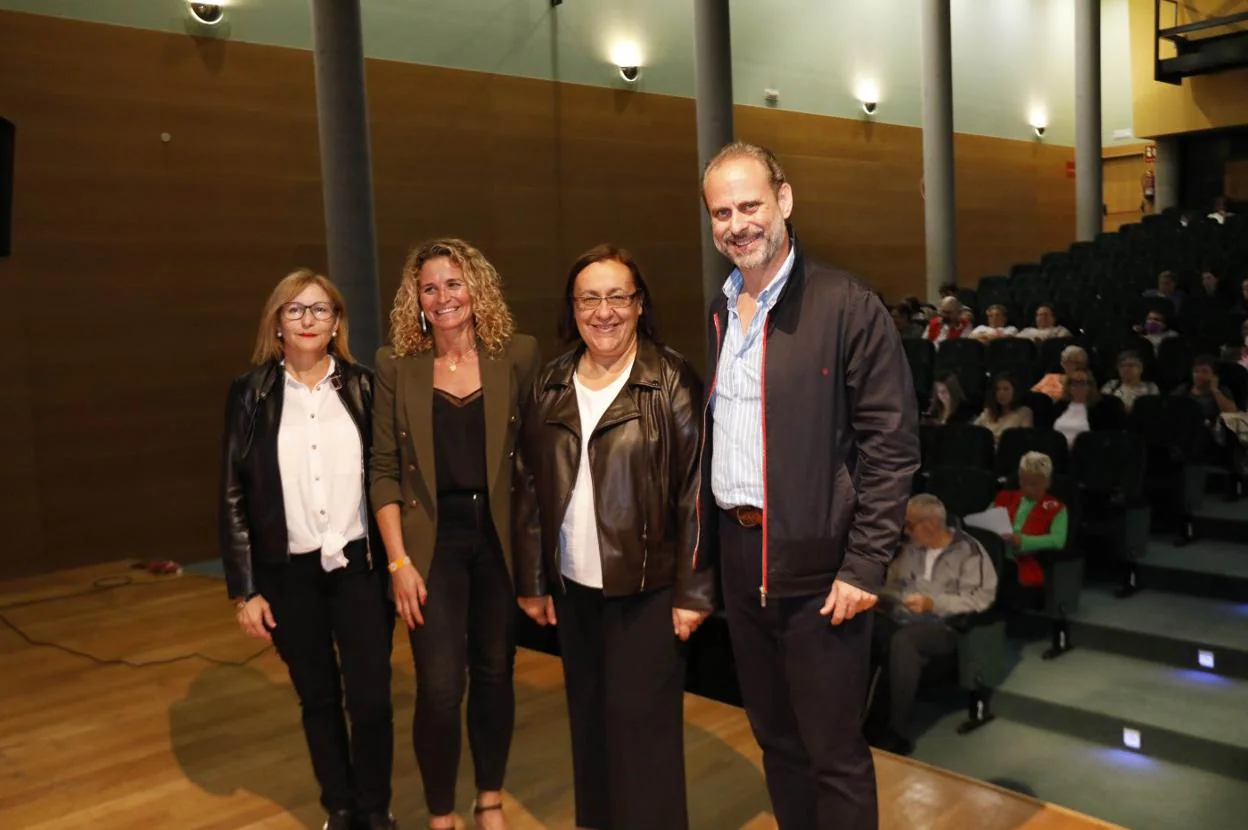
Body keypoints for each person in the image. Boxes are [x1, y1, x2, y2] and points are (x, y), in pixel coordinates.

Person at [699, 142, 920, 830]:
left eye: (750, 206)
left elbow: (892, 445)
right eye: (721, 212)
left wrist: (863, 565)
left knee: (833, 753)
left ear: (785, 201)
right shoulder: (721, 309)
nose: (738, 224)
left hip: (823, 568)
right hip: (743, 559)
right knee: (778, 742)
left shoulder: (847, 305)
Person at [512, 245, 709, 830]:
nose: (604, 311)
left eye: (617, 296)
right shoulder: (550, 381)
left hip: (647, 592)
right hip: (575, 589)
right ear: (572, 309)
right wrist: (532, 580)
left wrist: (693, 592)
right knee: (590, 726)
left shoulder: (670, 380)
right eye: (589, 298)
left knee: (642, 736)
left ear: (639, 304)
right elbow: (526, 486)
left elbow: (697, 490)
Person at [370, 239, 541, 830]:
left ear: (478, 289)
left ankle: (488, 799)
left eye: (454, 283)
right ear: (415, 300)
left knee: (496, 671)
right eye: (430, 287)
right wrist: (397, 563)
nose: (443, 297)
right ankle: (441, 814)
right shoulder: (397, 365)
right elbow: (384, 470)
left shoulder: (517, 355)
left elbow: (533, 462)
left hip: (496, 540)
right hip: (430, 544)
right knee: (441, 686)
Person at [220, 269, 396, 830]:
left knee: (370, 701)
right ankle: (340, 810)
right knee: (318, 699)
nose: (308, 319)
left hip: (360, 570)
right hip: (287, 576)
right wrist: (244, 590)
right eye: (295, 310)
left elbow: (390, 478)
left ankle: (374, 810)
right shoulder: (249, 395)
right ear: (277, 322)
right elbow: (232, 494)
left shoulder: (367, 388)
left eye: (320, 309)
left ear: (337, 322)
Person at [866, 495, 997, 755]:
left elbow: (980, 599)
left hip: (945, 627)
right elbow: (893, 584)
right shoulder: (912, 548)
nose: (905, 531)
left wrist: (932, 604)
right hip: (901, 615)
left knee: (905, 641)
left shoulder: (970, 553)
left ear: (933, 524)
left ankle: (897, 731)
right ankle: (858, 717)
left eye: (910, 525)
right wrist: (880, 595)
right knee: (862, 624)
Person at [993, 452, 1069, 587]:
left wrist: (1023, 541)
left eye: (1033, 484)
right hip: (996, 553)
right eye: (1022, 481)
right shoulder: (1005, 497)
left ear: (1047, 482)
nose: (1026, 488)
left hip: (1024, 560)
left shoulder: (1056, 508)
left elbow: (1058, 540)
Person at [1052, 368, 1124, 448]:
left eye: (1082, 383)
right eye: (1074, 383)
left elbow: (1105, 437)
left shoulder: (1102, 408)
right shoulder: (1060, 405)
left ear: (1091, 386)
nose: (1077, 387)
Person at [975, 373, 1034, 446]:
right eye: (997, 389)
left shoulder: (1024, 412)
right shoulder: (988, 412)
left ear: (1015, 391)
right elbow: (974, 433)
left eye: (1006, 389)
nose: (1001, 393)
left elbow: (1024, 441)